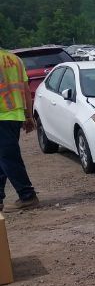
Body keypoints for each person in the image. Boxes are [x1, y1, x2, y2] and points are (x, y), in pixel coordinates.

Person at [0, 47, 39, 212]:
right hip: (14, 116)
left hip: (2, 116)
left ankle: (27, 195)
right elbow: (25, 90)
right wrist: (29, 116)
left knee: (8, 159)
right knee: (4, 158)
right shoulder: (15, 59)